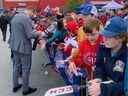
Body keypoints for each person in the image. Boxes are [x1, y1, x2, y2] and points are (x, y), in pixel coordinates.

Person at [88, 16, 127, 96]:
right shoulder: (103, 49)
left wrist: (104, 88)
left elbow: (125, 85)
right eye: (104, 35)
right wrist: (99, 78)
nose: (104, 39)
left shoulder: (126, 55)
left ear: (121, 38)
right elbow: (99, 66)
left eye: (109, 36)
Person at [8, 7, 42, 95]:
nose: (32, 15)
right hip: (23, 47)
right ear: (30, 11)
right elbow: (30, 34)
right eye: (32, 13)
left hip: (14, 45)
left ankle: (15, 85)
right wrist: (39, 33)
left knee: (16, 66)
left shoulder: (16, 16)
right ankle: (25, 89)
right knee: (25, 68)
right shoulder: (26, 18)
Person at [68, 18, 103, 96]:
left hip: (104, 80)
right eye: (87, 35)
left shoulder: (104, 42)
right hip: (90, 79)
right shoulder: (83, 44)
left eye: (93, 34)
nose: (90, 37)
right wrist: (72, 62)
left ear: (99, 31)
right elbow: (79, 58)